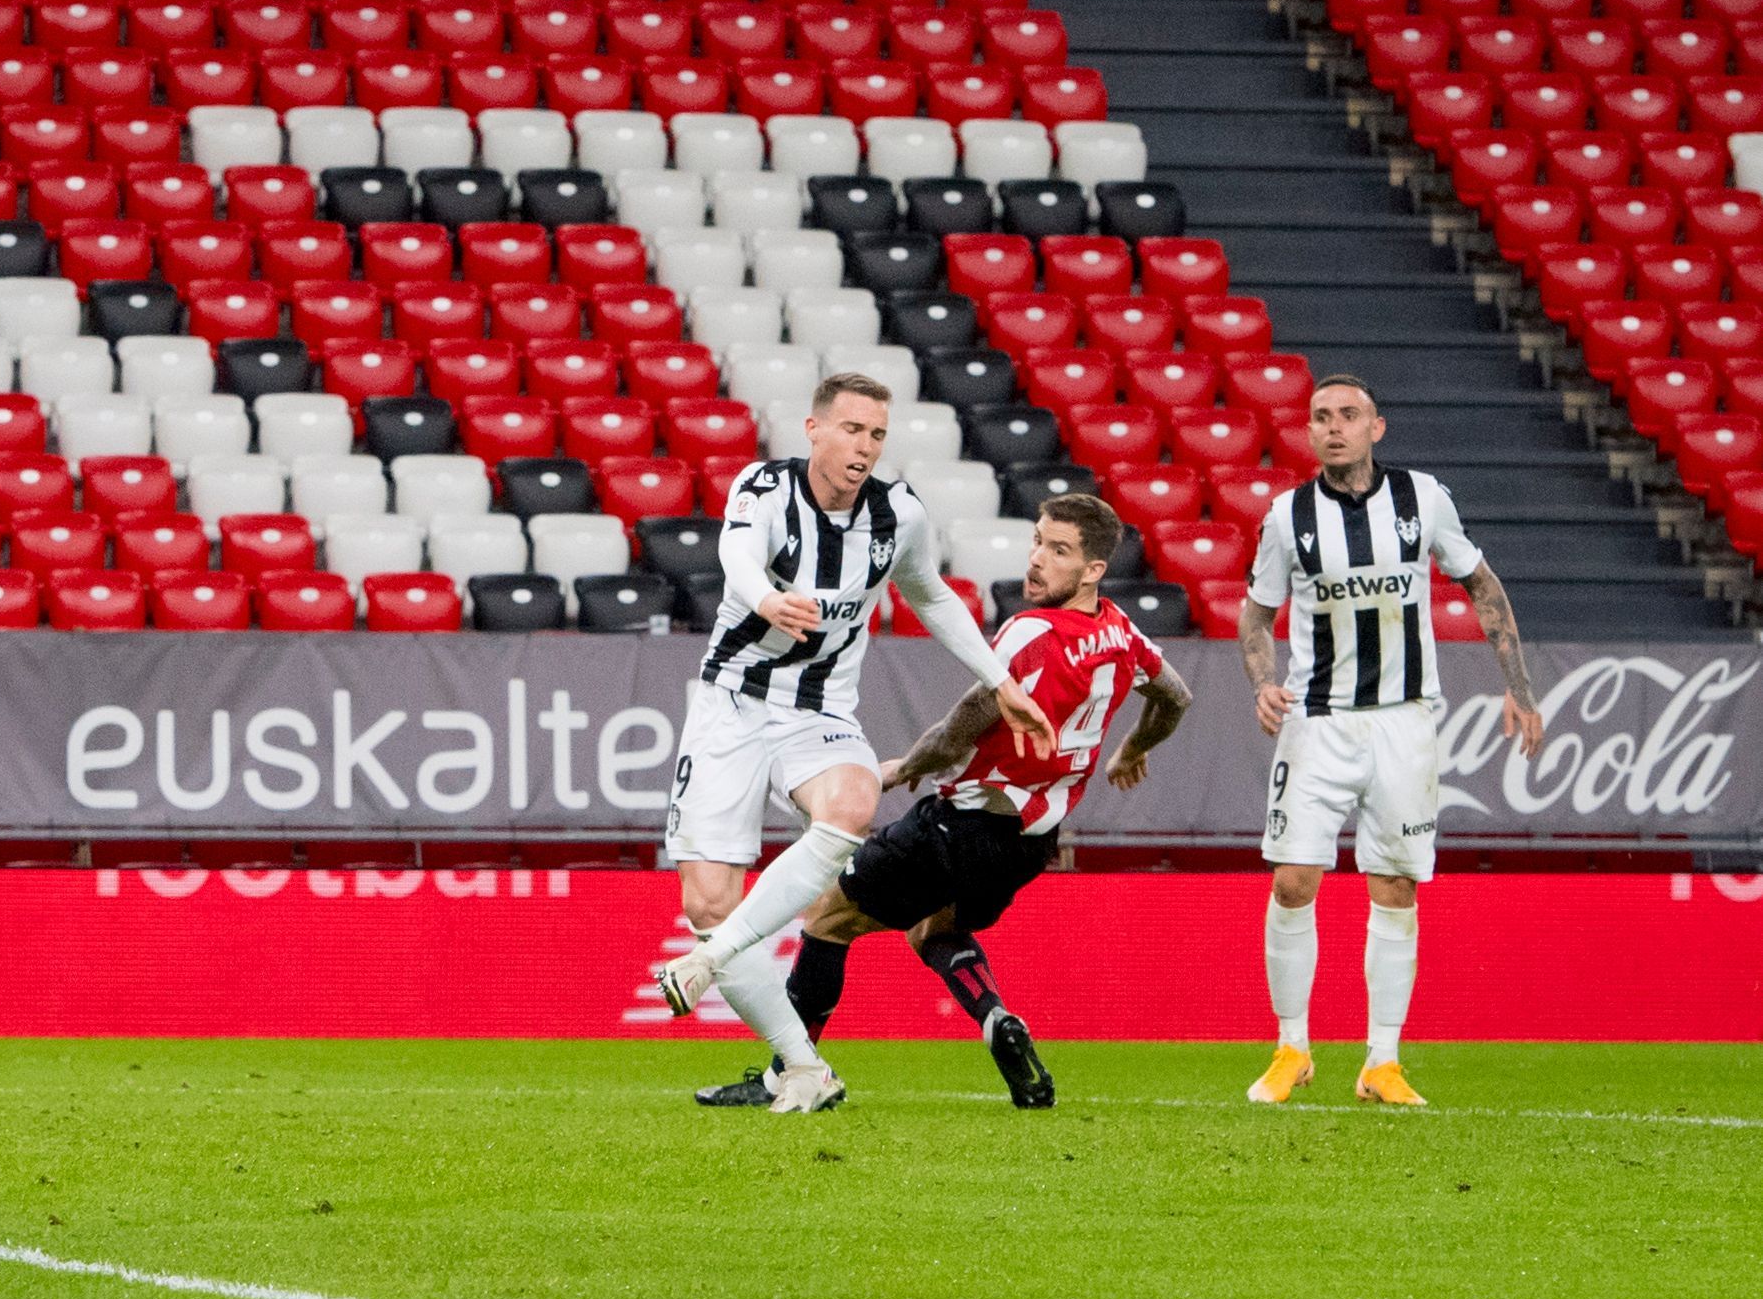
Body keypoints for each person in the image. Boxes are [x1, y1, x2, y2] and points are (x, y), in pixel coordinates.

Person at [659, 496, 1194, 1107]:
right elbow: (1176, 696)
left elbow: (964, 722)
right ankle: (997, 1020)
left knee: (827, 921)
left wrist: (903, 769)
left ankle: (791, 1074)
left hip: (965, 819)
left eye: (1059, 550)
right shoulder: (1121, 633)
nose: (1038, 559)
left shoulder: (1031, 631)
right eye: (1039, 541)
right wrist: (1132, 749)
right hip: (1032, 842)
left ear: (1093, 570)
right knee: (934, 928)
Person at [649, 372, 1044, 1113]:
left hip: (818, 709)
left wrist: (1000, 680)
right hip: (731, 708)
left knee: (855, 801)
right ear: (815, 430)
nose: (865, 446)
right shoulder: (763, 489)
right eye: (853, 430)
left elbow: (930, 594)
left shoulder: (898, 514)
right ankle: (802, 1066)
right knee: (708, 900)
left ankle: (712, 958)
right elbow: (737, 559)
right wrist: (766, 597)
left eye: (877, 435)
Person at [1239, 375, 1539, 1108]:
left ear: (1378, 426)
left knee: (1395, 885)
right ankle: (1291, 1046)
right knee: (1292, 879)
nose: (1333, 427)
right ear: (1308, 432)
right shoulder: (1287, 516)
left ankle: (1382, 1059)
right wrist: (1262, 681)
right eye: (1321, 417)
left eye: (1348, 415)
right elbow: (1255, 614)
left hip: (1405, 720)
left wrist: (1521, 688)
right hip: (1318, 720)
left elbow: (1484, 586)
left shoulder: (1423, 498)